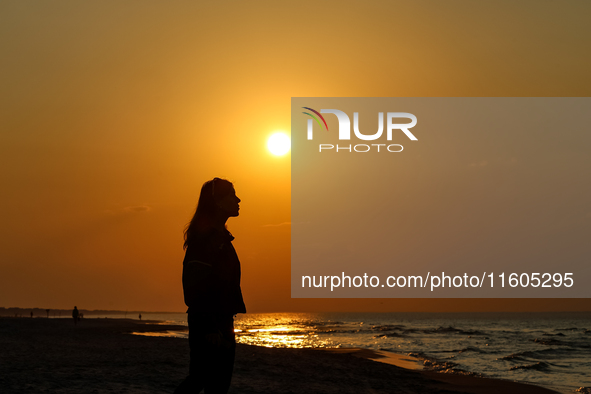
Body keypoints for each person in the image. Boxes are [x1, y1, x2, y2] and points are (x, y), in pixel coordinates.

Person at [174, 177, 246, 394]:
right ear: (217, 201)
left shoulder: (220, 238)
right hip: (209, 324)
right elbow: (195, 285)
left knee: (215, 385)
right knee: (201, 381)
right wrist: (208, 327)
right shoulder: (205, 240)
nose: (238, 199)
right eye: (232, 195)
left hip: (222, 322)